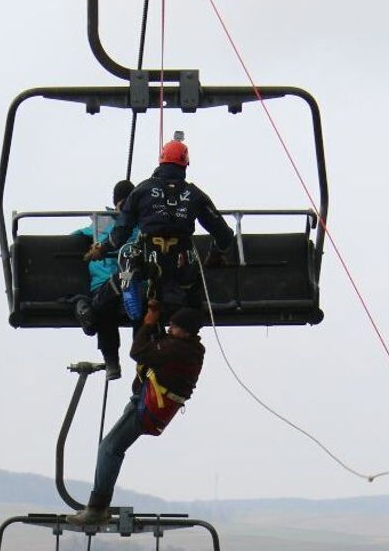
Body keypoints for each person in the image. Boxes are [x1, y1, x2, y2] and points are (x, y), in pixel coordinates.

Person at [66, 300, 206, 526]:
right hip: (148, 405)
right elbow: (159, 348)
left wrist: (149, 323)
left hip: (146, 408)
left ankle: (97, 508)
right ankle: (98, 505)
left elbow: (138, 352)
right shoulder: (191, 348)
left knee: (109, 448)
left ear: (186, 331)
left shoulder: (176, 348)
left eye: (175, 327)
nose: (170, 329)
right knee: (112, 447)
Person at [84, 133, 235, 319]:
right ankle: (190, 324)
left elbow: (120, 232)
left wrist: (102, 248)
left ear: (161, 161)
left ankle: (96, 307)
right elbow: (225, 235)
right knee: (192, 293)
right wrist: (215, 255)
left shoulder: (142, 190)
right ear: (186, 164)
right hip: (181, 265)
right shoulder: (195, 195)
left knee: (126, 267)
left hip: (148, 261)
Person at [72, 180, 138, 380]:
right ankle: (111, 360)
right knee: (105, 308)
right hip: (105, 284)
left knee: (144, 308)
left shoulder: (142, 224)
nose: (126, 209)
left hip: (134, 283)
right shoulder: (103, 223)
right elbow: (75, 237)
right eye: (123, 204)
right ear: (116, 204)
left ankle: (142, 361)